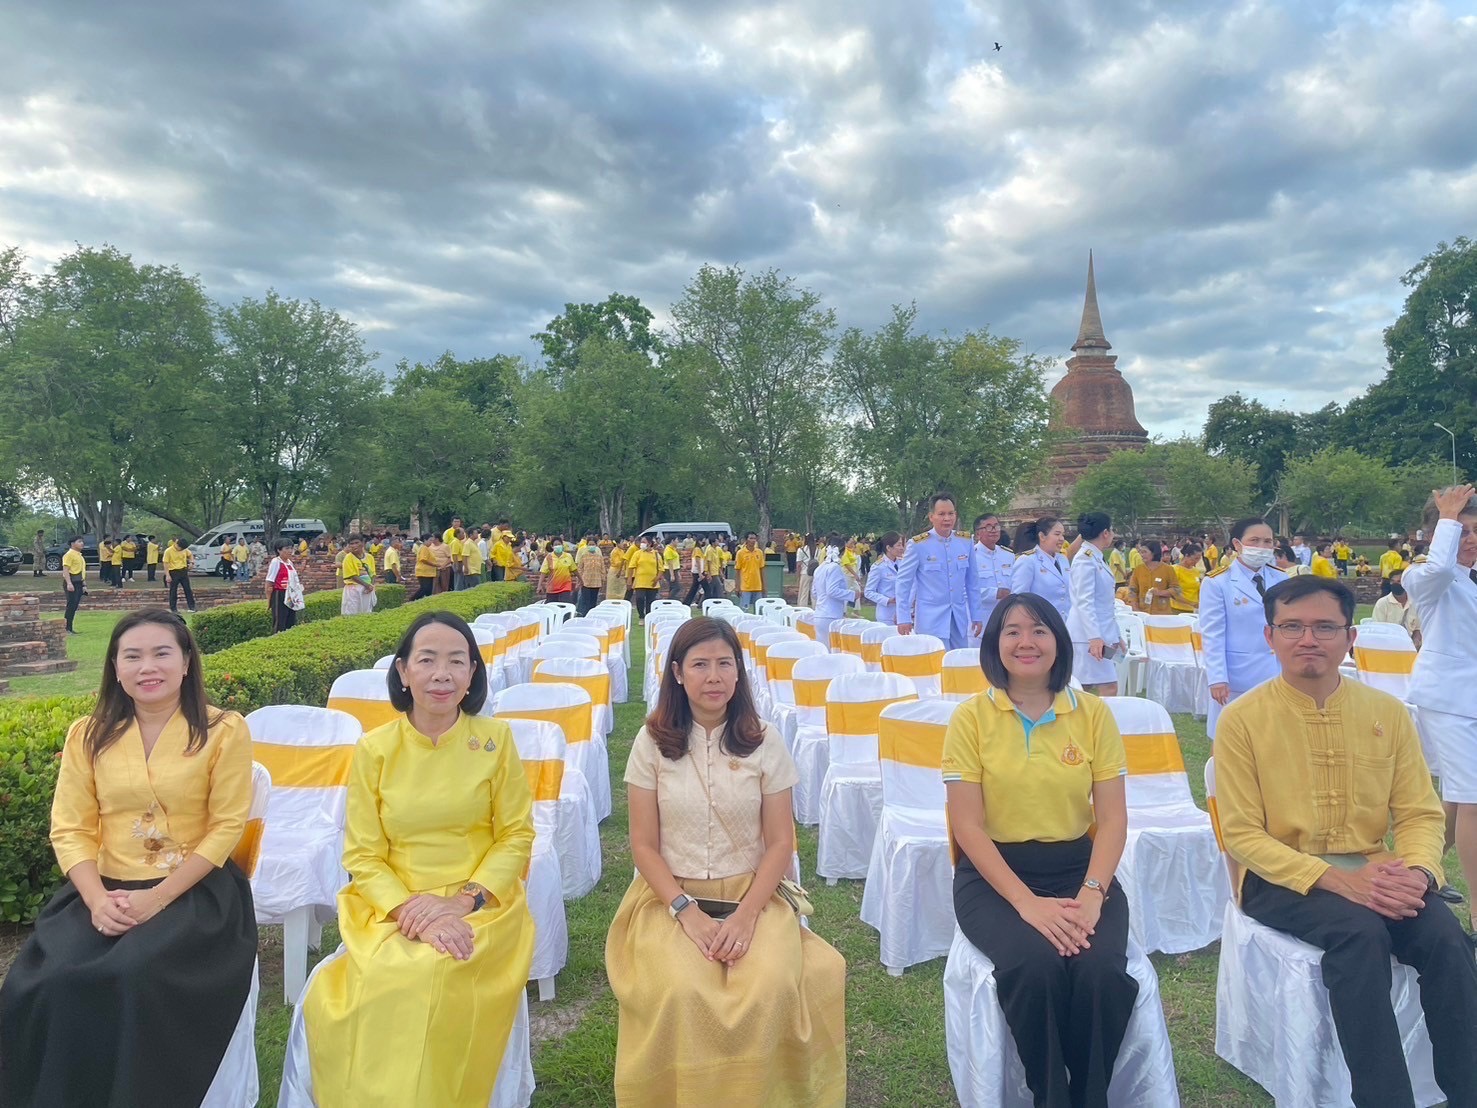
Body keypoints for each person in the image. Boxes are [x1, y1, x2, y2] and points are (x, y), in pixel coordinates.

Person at [1214, 576, 1477, 1108]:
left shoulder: (1387, 713)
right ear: (1269, 636)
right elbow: (1241, 834)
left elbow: (1420, 813)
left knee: (1447, 939)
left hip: (1377, 869)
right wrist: (1339, 881)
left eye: (1325, 627)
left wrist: (1419, 874)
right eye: (1292, 626)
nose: (1308, 639)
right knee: (1360, 935)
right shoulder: (1241, 720)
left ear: (1350, 637)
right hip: (1278, 877)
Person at [0, 610, 256, 1107]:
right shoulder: (88, 734)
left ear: (186, 661)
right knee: (48, 978)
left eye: (162, 653)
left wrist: (156, 900)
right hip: (103, 889)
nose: (147, 667)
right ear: (115, 668)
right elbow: (70, 829)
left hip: (193, 890)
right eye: (132, 656)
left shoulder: (224, 730)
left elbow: (226, 827)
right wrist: (97, 900)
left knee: (136, 973)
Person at [606, 617, 846, 1105]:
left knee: (771, 985)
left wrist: (746, 915)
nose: (713, 677)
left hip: (752, 894)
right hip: (669, 896)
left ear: (739, 671)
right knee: (682, 989)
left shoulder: (764, 740)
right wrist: (685, 911)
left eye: (724, 663)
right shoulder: (652, 742)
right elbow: (644, 845)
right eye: (700, 665)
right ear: (677, 673)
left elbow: (780, 842)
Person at [299, 612, 535, 1107]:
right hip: (392, 903)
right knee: (375, 983)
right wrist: (412, 910)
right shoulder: (375, 748)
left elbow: (515, 835)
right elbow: (363, 854)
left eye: (456, 661)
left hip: (480, 903)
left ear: (473, 673)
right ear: (403, 672)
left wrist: (461, 903)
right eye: (427, 660)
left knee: (436, 973)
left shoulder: (495, 740)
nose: (441, 674)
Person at [943, 592, 1135, 1107]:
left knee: (1100, 972)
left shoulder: (1092, 713)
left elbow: (1113, 819)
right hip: (994, 877)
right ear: (994, 643)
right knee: (1035, 967)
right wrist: (1026, 903)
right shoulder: (970, 718)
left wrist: (1093, 892)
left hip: (1077, 869)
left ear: (1058, 642)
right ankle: (1051, 1095)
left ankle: (1090, 1096)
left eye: (1039, 630)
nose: (1025, 642)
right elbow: (967, 826)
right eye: (1012, 631)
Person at [1404, 484, 1477, 928]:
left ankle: (1415, 872)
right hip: (1448, 699)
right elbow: (1438, 570)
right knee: (1473, 800)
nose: (1471, 538)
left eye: (1476, 530)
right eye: (1462, 531)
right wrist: (1447, 518)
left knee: (1456, 800)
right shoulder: (1425, 578)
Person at [1199, 517, 1287, 738]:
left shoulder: (1281, 578)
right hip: (1237, 675)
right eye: (1254, 541)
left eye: (1268, 541)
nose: (1262, 547)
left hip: (1278, 672)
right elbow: (1212, 634)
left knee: (1273, 736)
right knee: (1230, 736)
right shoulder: (1218, 582)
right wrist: (1217, 678)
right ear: (1237, 544)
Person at [897, 493, 982, 649]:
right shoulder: (918, 544)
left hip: (958, 618)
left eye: (951, 513)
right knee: (935, 661)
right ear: (931, 517)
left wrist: (976, 614)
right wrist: (904, 617)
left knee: (958, 660)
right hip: (931, 620)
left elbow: (973, 582)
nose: (947, 518)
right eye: (941, 514)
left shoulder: (965, 541)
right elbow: (904, 583)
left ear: (955, 515)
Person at [1066, 512, 1124, 696]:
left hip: (1100, 633)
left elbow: (1105, 605)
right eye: (1111, 530)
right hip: (1087, 636)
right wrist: (1094, 637)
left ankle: (1086, 716)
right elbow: (1084, 602)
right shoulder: (1085, 559)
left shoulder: (1095, 557)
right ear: (1105, 533)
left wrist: (1116, 634)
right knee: (1099, 687)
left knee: (1087, 688)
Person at [1009, 516, 1070, 622]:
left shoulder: (1063, 560)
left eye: (1062, 534)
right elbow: (1019, 598)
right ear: (1042, 536)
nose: (1061, 539)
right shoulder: (1028, 560)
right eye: (1057, 534)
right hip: (1040, 623)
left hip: (1065, 624)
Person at [971, 513, 1017, 634]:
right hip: (981, 620)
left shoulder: (1008, 555)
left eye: (996, 526)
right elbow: (964, 590)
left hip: (1006, 618)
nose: (994, 530)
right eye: (988, 527)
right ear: (977, 533)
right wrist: (995, 593)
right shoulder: (970, 556)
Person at [810, 538, 853, 647]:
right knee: (833, 648)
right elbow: (832, 591)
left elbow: (814, 593)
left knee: (823, 647)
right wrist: (852, 594)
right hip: (831, 614)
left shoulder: (820, 568)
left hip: (819, 614)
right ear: (842, 552)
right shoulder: (835, 568)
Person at [1371, 568, 1422, 646]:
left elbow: (1417, 629)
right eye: (1392, 581)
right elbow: (1378, 630)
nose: (1395, 584)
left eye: (1399, 581)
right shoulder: (1382, 603)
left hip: (1409, 645)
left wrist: (1414, 644)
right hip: (1388, 645)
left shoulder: (1416, 603)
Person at [864, 532, 904, 625]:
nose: (902, 548)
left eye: (902, 545)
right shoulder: (878, 567)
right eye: (898, 545)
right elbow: (869, 592)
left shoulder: (903, 563)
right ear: (889, 548)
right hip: (887, 614)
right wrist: (887, 600)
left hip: (903, 613)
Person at [1126, 541, 1176, 615]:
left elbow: (1176, 590)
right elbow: (1132, 591)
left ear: (1154, 553)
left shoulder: (1168, 569)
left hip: (1162, 613)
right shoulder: (1138, 570)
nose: (1142, 555)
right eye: (1141, 552)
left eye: (1144, 552)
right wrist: (1135, 609)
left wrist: (1160, 592)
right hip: (1142, 612)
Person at [265, 539, 299, 633]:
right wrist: (269, 599)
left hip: (290, 593)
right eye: (287, 548)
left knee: (291, 620)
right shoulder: (276, 562)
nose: (290, 551)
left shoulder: (290, 562)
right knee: (280, 621)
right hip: (279, 593)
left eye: (291, 548)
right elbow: (269, 581)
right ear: (279, 550)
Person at [339, 535, 376, 615]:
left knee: (366, 612)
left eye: (356, 543)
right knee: (352, 613)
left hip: (367, 589)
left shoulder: (369, 557)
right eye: (351, 544)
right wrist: (367, 585)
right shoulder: (348, 558)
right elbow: (352, 575)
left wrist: (371, 586)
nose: (354, 546)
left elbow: (372, 574)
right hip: (353, 589)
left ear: (362, 543)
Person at [162, 536, 197, 613]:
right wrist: (167, 575)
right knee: (173, 591)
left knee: (187, 589)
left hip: (183, 571)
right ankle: (173, 609)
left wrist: (191, 562)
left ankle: (192, 607)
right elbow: (165, 563)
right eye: (180, 548)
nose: (181, 550)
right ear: (177, 544)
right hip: (173, 572)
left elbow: (190, 555)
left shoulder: (184, 550)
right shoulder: (168, 551)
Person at [1168, 541, 1205, 613]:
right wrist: (1191, 603)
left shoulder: (1195, 571)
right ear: (1187, 555)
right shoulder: (1175, 570)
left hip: (1193, 609)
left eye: (1199, 559)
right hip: (1178, 609)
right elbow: (1173, 593)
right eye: (1195, 558)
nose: (1196, 561)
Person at [61, 534, 86, 633]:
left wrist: (84, 584)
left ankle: (70, 627)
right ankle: (67, 628)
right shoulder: (69, 555)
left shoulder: (79, 555)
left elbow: (81, 571)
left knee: (74, 605)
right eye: (79, 542)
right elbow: (66, 570)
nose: (82, 543)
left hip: (79, 582)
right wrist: (69, 583)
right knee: (71, 605)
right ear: (72, 544)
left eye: (82, 541)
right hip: (72, 581)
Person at [736, 532, 766, 612]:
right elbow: (738, 571)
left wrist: (764, 586)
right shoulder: (740, 553)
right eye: (751, 538)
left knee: (759, 611)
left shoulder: (759, 552)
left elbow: (762, 570)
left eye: (754, 538)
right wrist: (737, 587)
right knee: (744, 610)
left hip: (757, 586)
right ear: (746, 540)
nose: (753, 540)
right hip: (745, 587)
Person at [540, 541, 576, 607]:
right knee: (552, 607)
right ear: (552, 546)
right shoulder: (549, 557)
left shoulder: (568, 556)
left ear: (562, 545)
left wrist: (580, 580)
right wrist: (539, 585)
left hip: (565, 587)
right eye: (555, 544)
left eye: (559, 544)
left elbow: (574, 569)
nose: (558, 546)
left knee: (565, 606)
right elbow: (543, 572)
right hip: (552, 588)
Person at [575, 539, 605, 616]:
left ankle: (592, 616)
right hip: (585, 582)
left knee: (593, 601)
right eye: (590, 544)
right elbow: (580, 569)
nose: (591, 546)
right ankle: (584, 615)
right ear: (587, 546)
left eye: (593, 544)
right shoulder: (584, 556)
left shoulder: (599, 557)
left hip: (596, 582)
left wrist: (603, 579)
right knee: (586, 601)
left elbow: (602, 569)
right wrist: (579, 581)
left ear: (596, 545)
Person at [413, 534, 439, 600]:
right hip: (424, 572)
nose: (431, 542)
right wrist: (434, 564)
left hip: (428, 572)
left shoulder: (426, 548)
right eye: (430, 540)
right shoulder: (424, 548)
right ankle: (412, 600)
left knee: (428, 590)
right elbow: (423, 559)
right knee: (425, 589)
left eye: (432, 540)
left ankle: (425, 601)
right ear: (425, 540)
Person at [795, 535, 814, 608]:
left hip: (805, 573)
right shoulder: (818, 550)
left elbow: (799, 564)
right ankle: (815, 608)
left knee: (803, 592)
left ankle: (802, 608)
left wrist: (798, 576)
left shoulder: (801, 550)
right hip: (815, 573)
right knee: (814, 593)